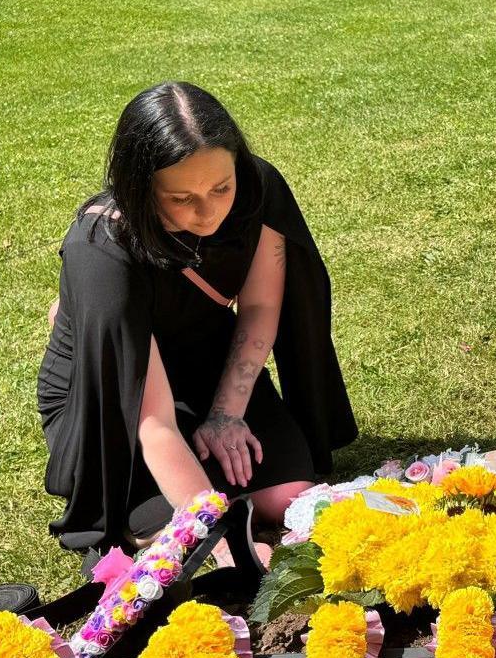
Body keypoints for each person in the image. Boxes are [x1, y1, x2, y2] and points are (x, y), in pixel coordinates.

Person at [37, 81, 355, 565]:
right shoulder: (101, 248)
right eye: (182, 198)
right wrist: (228, 548)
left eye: (221, 188)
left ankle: (225, 493)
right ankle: (210, 509)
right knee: (165, 521)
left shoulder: (258, 187)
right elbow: (152, 422)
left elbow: (259, 310)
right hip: (115, 388)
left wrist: (227, 415)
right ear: (139, 188)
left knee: (288, 496)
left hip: (207, 358)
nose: (209, 211)